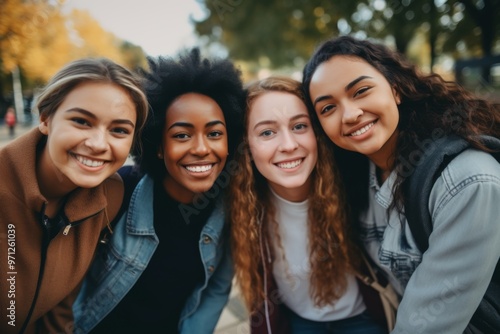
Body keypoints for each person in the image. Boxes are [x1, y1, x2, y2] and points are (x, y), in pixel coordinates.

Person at [302, 35, 500, 333]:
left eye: (361, 91)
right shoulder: (355, 173)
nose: (350, 115)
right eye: (328, 108)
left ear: (395, 89)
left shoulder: (466, 181)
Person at [73, 48, 246, 334]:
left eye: (215, 133)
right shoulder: (118, 191)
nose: (202, 149)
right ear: (157, 146)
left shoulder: (230, 207)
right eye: (181, 135)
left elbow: (217, 288)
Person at [0, 57, 148, 334]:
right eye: (81, 121)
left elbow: (60, 311)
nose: (97, 144)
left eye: (119, 130)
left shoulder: (109, 197)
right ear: (45, 118)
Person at [230, 76, 388, 333]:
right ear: (246, 146)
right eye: (267, 132)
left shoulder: (353, 184)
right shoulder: (244, 204)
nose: (289, 145)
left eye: (300, 126)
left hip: (364, 316)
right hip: (300, 321)